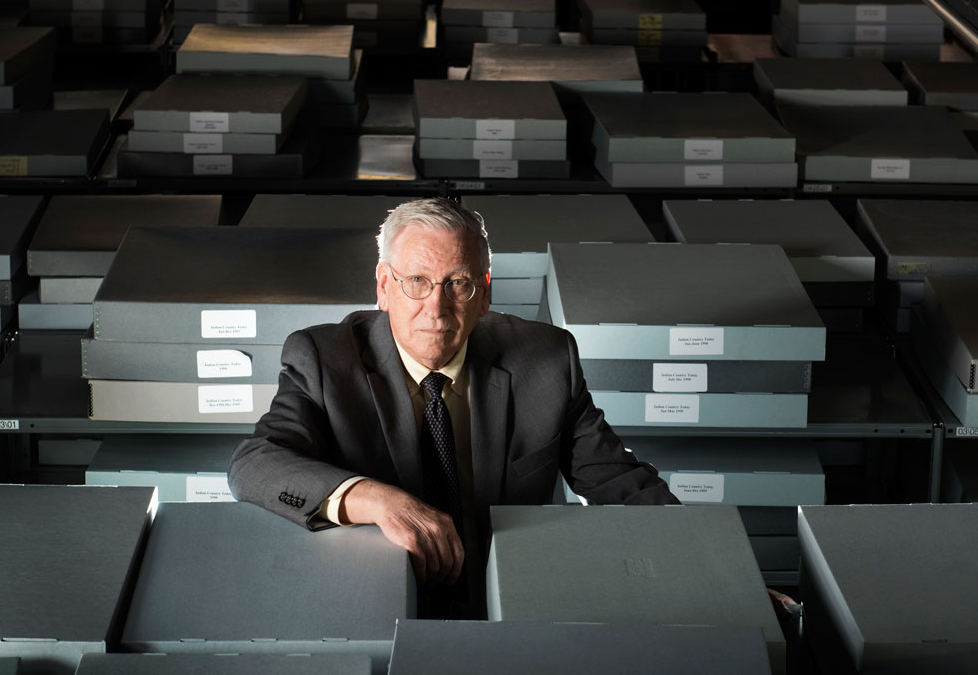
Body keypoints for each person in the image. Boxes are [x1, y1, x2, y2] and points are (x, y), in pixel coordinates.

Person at [229, 197, 677, 598]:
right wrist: (378, 500)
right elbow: (254, 465)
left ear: (484, 294)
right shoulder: (324, 359)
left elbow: (618, 481)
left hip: (508, 588)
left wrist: (699, 550)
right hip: (371, 589)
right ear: (384, 287)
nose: (437, 308)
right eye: (417, 281)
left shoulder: (547, 359)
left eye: (458, 283)